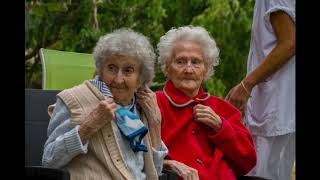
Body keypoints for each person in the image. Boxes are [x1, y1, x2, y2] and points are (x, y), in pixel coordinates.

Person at [42, 28, 168, 180]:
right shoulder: (74, 99)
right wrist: (89, 126)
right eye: (112, 68)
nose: (118, 79)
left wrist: (155, 123)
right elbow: (49, 161)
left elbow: (155, 172)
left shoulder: (143, 107)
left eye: (128, 70)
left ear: (140, 78)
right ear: (100, 69)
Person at [151, 25, 257, 180]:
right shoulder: (153, 103)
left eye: (196, 62)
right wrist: (167, 163)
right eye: (180, 62)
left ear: (206, 69)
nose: (188, 69)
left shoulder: (223, 109)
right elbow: (137, 155)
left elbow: (248, 161)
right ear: (167, 68)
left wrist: (221, 127)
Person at [225, 1, 295, 180]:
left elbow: (289, 43)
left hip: (274, 105)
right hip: (283, 105)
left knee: (261, 173)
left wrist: (245, 85)